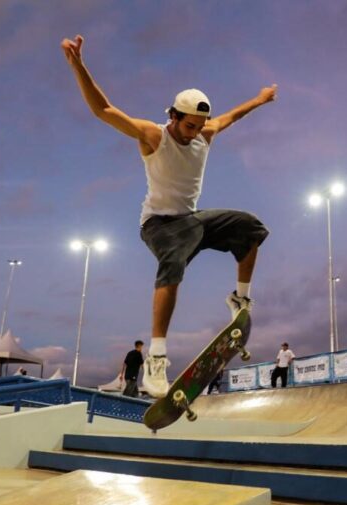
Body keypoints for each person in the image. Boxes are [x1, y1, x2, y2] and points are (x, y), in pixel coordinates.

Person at [61, 35, 275, 398]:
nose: (194, 133)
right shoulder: (151, 136)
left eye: (199, 126)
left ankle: (240, 298)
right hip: (157, 225)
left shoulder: (205, 132)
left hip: (190, 221)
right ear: (173, 116)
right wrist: (79, 65)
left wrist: (260, 99)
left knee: (251, 227)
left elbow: (232, 116)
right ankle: (156, 360)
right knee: (174, 257)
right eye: (188, 126)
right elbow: (104, 110)